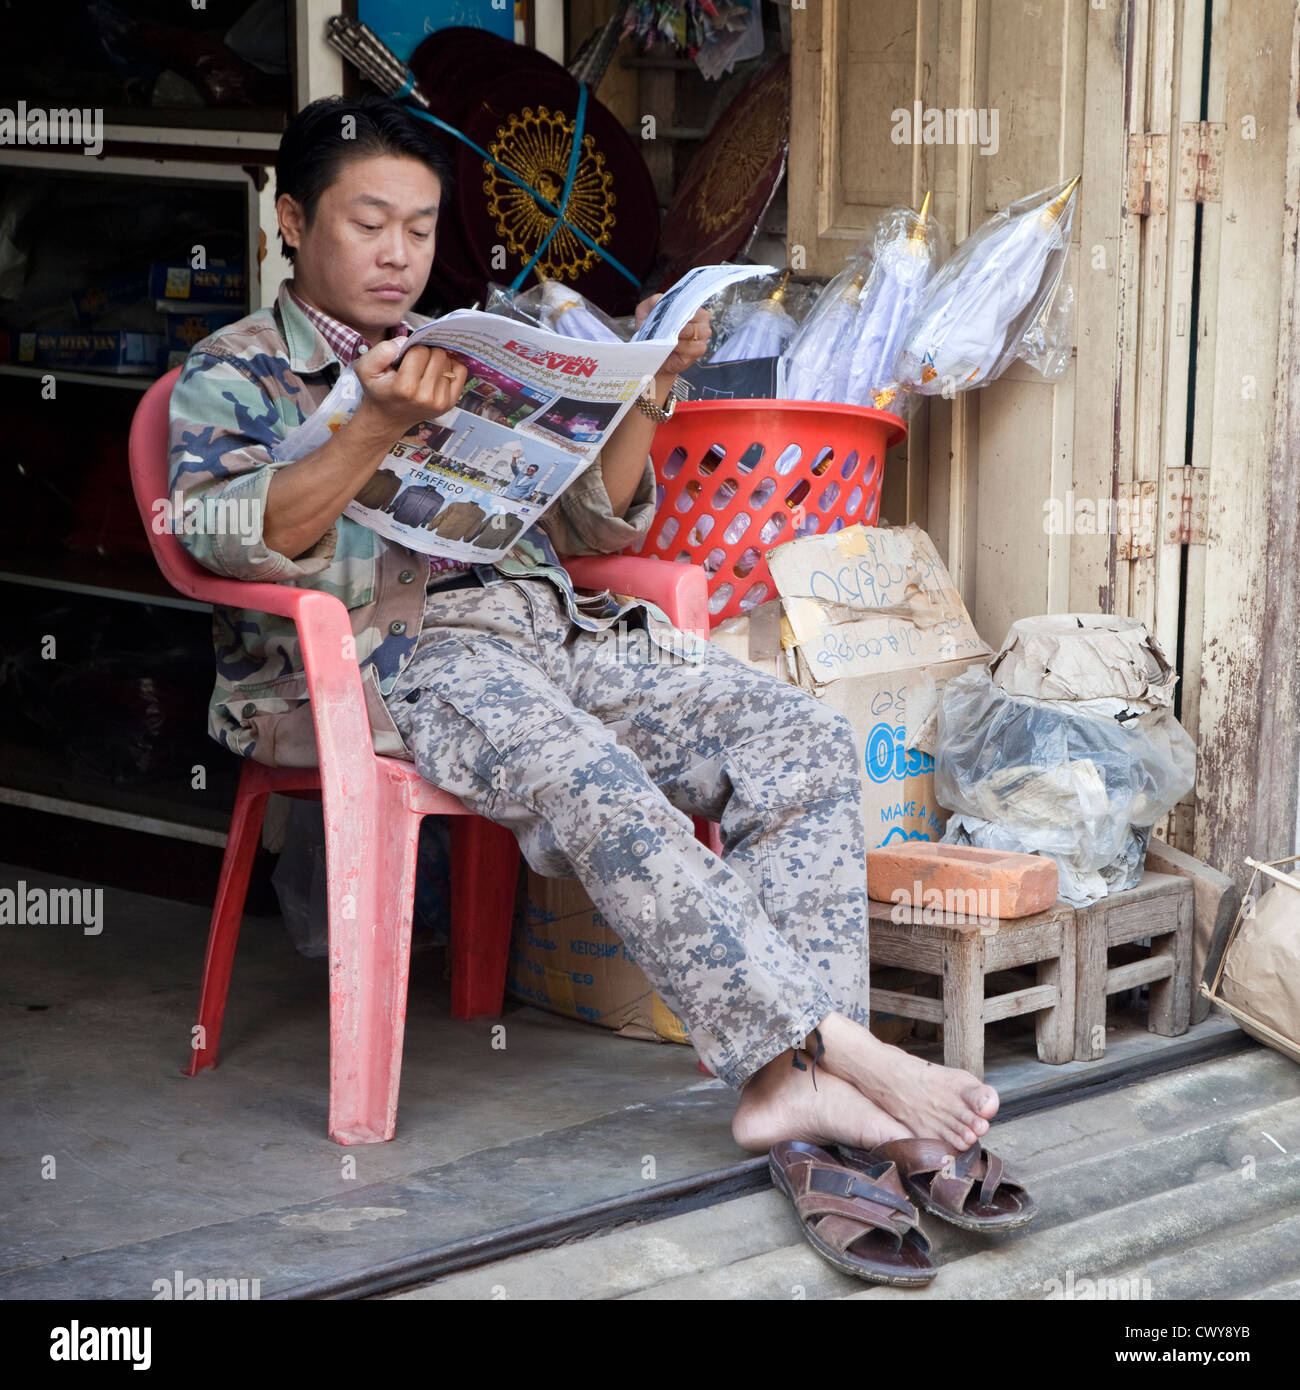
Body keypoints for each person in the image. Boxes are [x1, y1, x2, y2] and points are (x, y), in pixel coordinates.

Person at [168, 94, 1001, 1172]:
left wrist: (646, 393)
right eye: (367, 223)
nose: (397, 255)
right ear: (291, 221)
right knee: (594, 777)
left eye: (419, 229)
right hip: (398, 658)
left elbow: (590, 520)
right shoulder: (234, 371)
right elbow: (230, 539)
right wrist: (373, 425)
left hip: (555, 630)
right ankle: (831, 1055)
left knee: (795, 737)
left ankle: (804, 1088)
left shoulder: (455, 349)